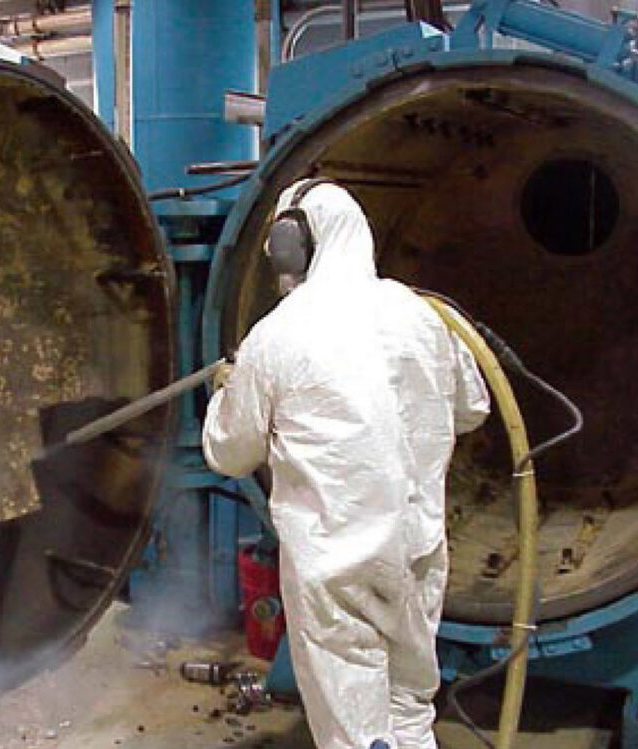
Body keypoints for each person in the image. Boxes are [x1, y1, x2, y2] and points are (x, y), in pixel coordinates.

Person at [202, 179, 490, 749]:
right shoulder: (421, 315)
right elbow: (474, 409)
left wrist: (225, 392)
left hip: (336, 566)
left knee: (354, 732)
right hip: (417, 551)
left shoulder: (278, 335)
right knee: (409, 707)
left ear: (293, 242)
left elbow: (230, 454)